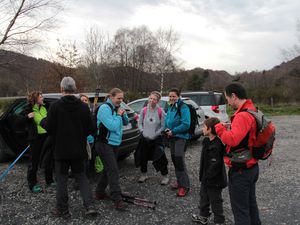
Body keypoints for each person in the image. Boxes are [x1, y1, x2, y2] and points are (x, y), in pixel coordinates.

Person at [45, 77, 97, 218]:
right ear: (74, 89)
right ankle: (89, 205)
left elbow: (49, 128)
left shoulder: (55, 106)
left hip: (61, 151)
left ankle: (62, 209)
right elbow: (91, 128)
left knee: (61, 179)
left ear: (62, 89)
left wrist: (45, 122)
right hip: (79, 149)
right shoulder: (83, 106)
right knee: (81, 177)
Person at [215, 82, 261, 225]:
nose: (227, 102)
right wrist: (231, 126)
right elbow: (246, 134)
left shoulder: (242, 116)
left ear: (234, 96)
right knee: (250, 205)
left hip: (241, 170)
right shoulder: (252, 110)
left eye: (227, 98)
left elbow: (233, 140)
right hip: (252, 167)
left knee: (240, 211)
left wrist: (218, 128)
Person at [94, 88, 129, 210]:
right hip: (104, 144)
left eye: (122, 98)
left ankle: (99, 192)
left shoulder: (116, 108)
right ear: (111, 97)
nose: (121, 100)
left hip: (114, 143)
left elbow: (125, 123)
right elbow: (113, 126)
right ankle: (117, 199)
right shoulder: (104, 109)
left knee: (108, 169)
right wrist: (119, 115)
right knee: (113, 170)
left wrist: (123, 114)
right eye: (118, 98)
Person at [192, 117, 227, 225]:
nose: (202, 129)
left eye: (204, 127)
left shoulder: (217, 145)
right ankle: (203, 217)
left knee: (215, 200)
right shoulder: (207, 141)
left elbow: (215, 164)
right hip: (206, 178)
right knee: (204, 197)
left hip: (214, 180)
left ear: (210, 129)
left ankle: (219, 221)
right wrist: (204, 177)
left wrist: (208, 176)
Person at [21, 91, 54, 193]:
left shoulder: (47, 107)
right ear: (35, 99)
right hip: (35, 138)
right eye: (40, 97)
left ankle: (50, 181)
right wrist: (27, 117)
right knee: (34, 161)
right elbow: (17, 122)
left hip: (47, 136)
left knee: (48, 159)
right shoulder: (28, 109)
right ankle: (32, 184)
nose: (42, 98)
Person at [136, 91, 169, 185]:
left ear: (157, 101)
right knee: (143, 156)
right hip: (144, 138)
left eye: (154, 99)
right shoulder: (144, 110)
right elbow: (139, 122)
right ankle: (144, 174)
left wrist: (156, 134)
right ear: (148, 98)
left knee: (160, 157)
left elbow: (163, 125)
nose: (152, 100)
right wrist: (142, 131)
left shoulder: (160, 111)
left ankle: (165, 176)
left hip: (156, 138)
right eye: (150, 98)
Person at [165, 88, 191, 197]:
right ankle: (179, 181)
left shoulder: (183, 107)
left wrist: (173, 131)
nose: (171, 98)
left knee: (179, 160)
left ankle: (184, 186)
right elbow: (168, 121)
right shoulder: (171, 107)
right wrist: (167, 128)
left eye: (174, 96)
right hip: (172, 137)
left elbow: (186, 124)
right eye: (170, 96)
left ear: (178, 96)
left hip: (180, 137)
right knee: (175, 159)